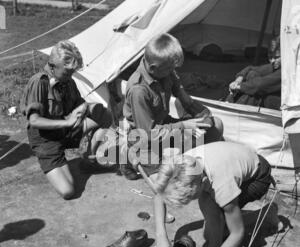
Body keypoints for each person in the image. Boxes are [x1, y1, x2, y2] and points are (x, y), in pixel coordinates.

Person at [150, 141, 282, 247]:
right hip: (235, 162)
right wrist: (161, 236)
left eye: (189, 198)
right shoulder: (181, 165)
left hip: (257, 177)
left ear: (202, 182)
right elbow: (159, 194)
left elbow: (238, 233)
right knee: (212, 217)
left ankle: (267, 213)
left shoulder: (222, 185)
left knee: (217, 216)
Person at [122, 33, 224, 179]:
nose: (172, 72)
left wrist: (202, 115)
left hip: (165, 126)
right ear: (153, 68)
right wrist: (183, 125)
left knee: (216, 126)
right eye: (169, 69)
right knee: (165, 185)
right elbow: (149, 133)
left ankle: (177, 155)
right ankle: (129, 155)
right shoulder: (139, 90)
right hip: (146, 139)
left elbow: (184, 98)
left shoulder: (165, 70)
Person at [21, 40, 112, 199]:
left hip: (65, 131)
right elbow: (34, 121)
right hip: (46, 140)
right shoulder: (38, 82)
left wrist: (87, 107)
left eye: (72, 72)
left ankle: (88, 160)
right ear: (52, 66)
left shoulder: (67, 81)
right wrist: (67, 122)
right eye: (66, 72)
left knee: (104, 114)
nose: (70, 76)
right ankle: (55, 163)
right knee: (68, 191)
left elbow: (79, 103)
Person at [227, 36, 281, 110]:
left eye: (276, 57)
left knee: (256, 91)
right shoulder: (276, 64)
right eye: (270, 57)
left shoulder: (290, 71)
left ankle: (235, 109)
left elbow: (260, 85)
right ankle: (234, 107)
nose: (272, 61)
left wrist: (239, 87)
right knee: (252, 74)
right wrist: (238, 80)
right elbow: (250, 68)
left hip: (286, 107)